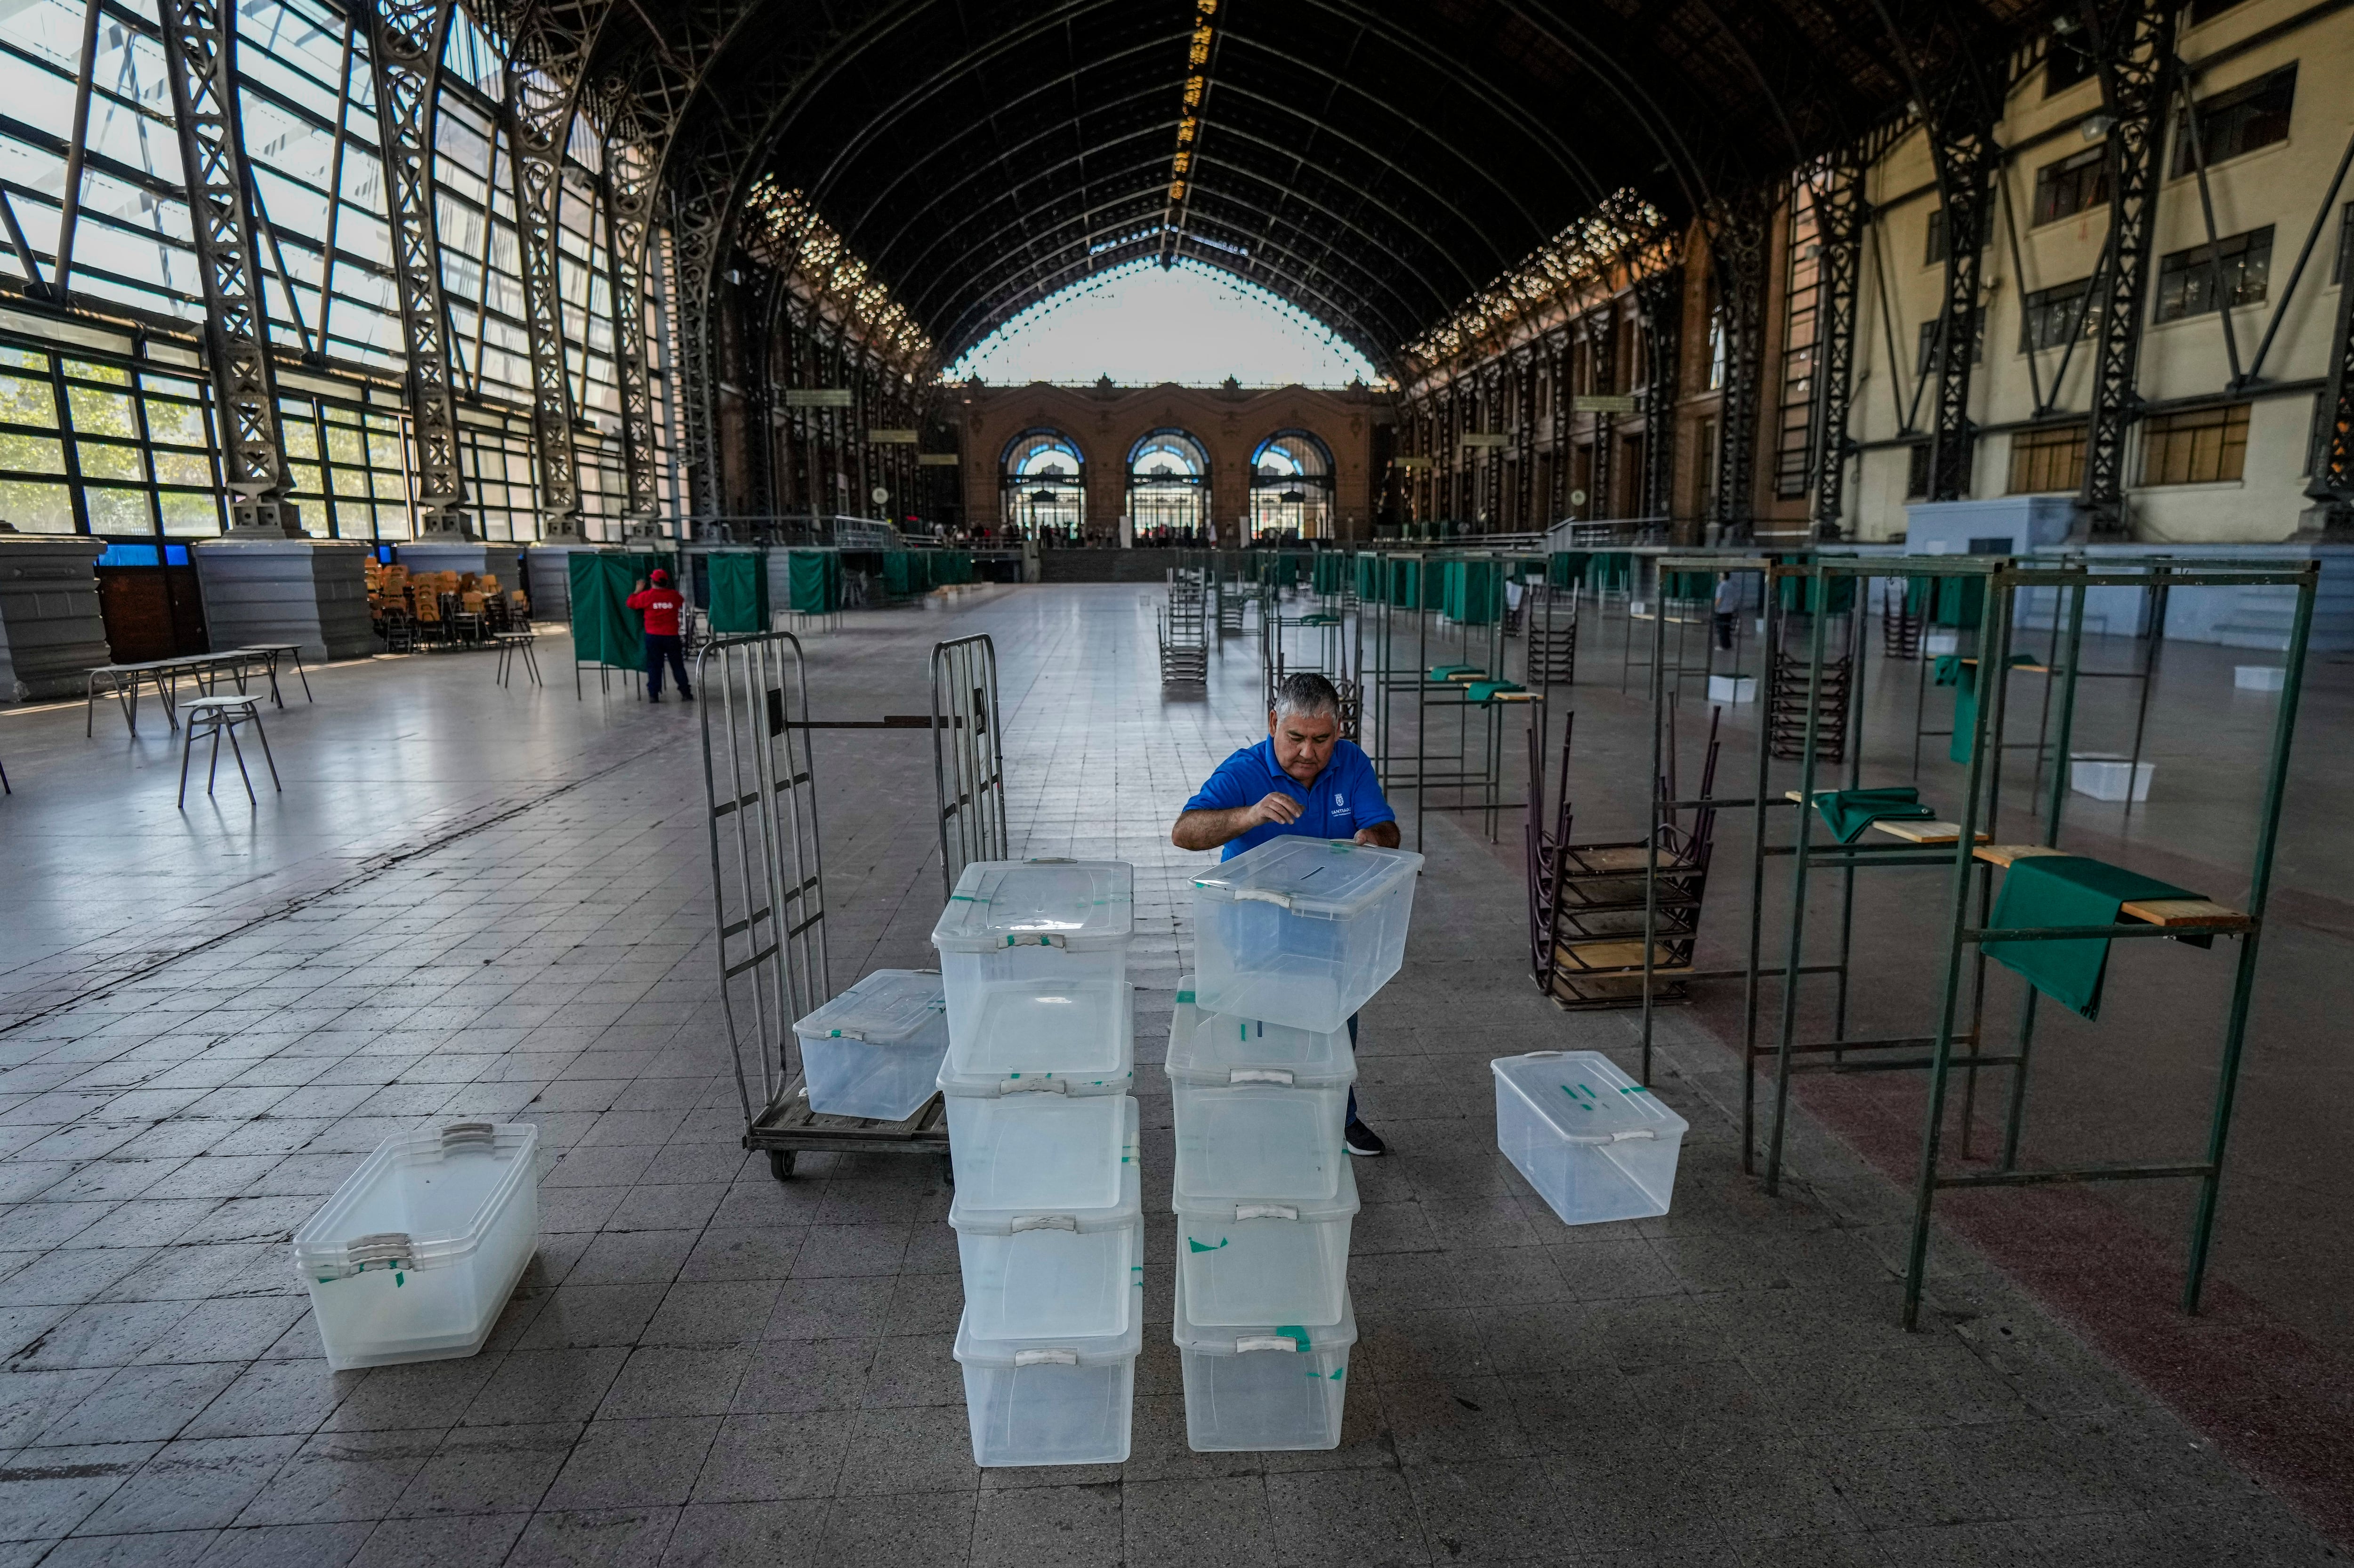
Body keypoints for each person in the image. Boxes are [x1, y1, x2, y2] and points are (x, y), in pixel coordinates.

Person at [1170, 673, 1400, 1158]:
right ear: (1274, 723)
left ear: (1338, 731)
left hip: (1328, 930)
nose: (1307, 753)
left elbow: (1384, 827)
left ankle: (1340, 1117)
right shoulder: (1244, 771)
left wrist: (1372, 840)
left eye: (1321, 739)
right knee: (1258, 1034)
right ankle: (1256, 1123)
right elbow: (1185, 831)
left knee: (1334, 1027)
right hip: (1254, 933)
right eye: (1294, 738)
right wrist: (1247, 816)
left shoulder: (1352, 764)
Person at [625, 568, 692, 702]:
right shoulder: (674, 596)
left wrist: (638, 590)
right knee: (678, 665)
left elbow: (630, 603)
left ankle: (653, 695)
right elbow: (681, 601)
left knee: (655, 666)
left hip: (654, 636)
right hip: (672, 637)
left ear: (652, 582)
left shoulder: (647, 596)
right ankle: (685, 693)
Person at [1714, 571, 1741, 652]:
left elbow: (1719, 598)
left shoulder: (1721, 586)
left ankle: (1723, 645)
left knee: (1722, 629)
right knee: (1727, 628)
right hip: (1730, 609)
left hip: (1722, 610)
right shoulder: (1731, 586)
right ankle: (1728, 645)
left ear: (1722, 577)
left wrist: (1716, 606)